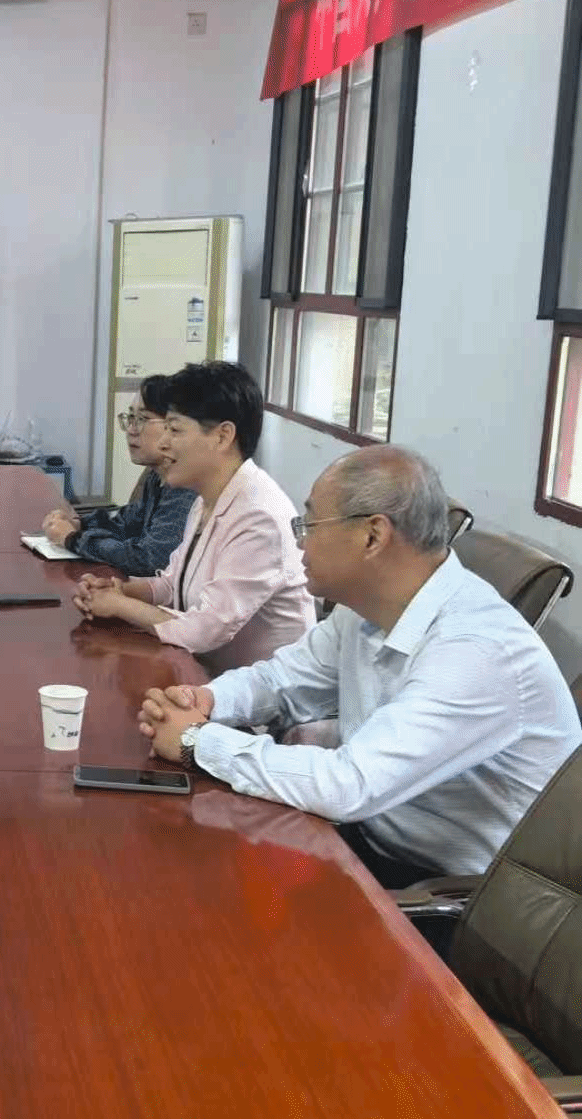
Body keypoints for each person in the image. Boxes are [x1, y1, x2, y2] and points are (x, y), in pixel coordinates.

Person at [137, 446, 582, 884]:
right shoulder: (365, 607)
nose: (300, 541)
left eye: (309, 524)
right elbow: (281, 680)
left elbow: (348, 785)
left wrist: (196, 741)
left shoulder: (475, 651)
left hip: (447, 894)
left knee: (224, 895)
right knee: (192, 863)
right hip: (362, 840)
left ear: (373, 536)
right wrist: (206, 700)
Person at [73, 361, 313, 673]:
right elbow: (173, 584)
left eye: (174, 430)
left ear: (222, 436)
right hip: (206, 672)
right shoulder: (206, 499)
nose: (163, 443)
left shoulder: (259, 518)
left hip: (260, 694)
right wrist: (120, 589)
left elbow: (203, 631)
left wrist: (119, 605)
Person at [40, 373, 195, 575]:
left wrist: (73, 539)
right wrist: (79, 525)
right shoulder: (156, 476)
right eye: (130, 418)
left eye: (142, 419)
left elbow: (149, 559)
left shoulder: (185, 486)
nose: (131, 430)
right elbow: (126, 525)